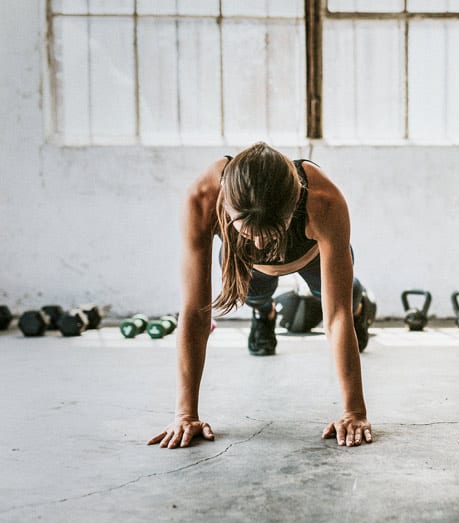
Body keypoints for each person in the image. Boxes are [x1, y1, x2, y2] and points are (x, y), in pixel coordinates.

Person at [149, 142, 373, 449]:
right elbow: (195, 310)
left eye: (268, 233)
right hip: (249, 268)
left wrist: (354, 412)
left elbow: (335, 318)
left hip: (310, 258)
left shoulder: (324, 201)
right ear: (226, 205)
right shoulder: (202, 197)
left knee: (345, 299)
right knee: (252, 296)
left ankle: (363, 309)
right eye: (246, 230)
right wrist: (185, 414)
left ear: (294, 205)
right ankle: (263, 312)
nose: (256, 243)